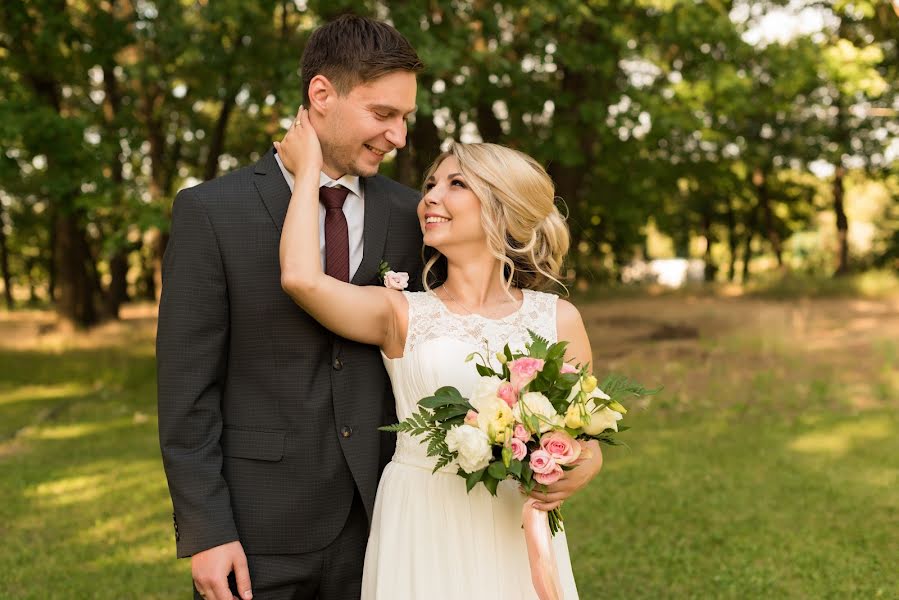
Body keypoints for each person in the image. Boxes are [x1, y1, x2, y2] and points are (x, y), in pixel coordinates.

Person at [276, 106, 604, 598]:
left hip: (509, 525)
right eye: (430, 185)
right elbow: (301, 279)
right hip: (420, 517)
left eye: (455, 184)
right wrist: (307, 175)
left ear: (501, 206)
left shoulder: (556, 319)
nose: (430, 196)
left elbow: (589, 436)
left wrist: (581, 467)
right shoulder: (400, 313)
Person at [156, 15, 425, 600]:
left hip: (384, 523)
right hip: (258, 533)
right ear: (321, 95)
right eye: (383, 115)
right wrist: (207, 530)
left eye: (405, 117)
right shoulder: (211, 212)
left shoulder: (413, 216)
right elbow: (186, 391)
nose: (399, 136)